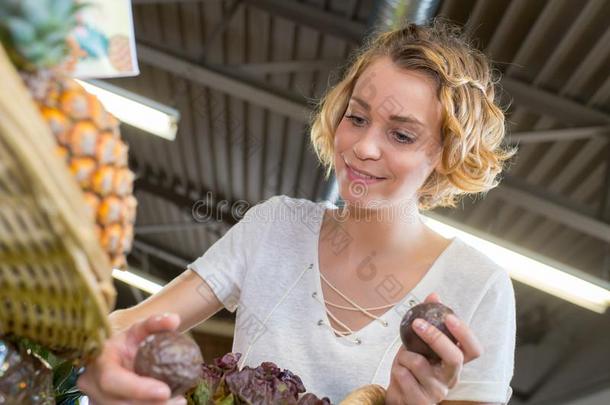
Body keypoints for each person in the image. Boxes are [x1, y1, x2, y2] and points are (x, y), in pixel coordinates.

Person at [77, 20, 517, 405]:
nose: (363, 147)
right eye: (357, 118)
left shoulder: (479, 288)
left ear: (447, 151)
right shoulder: (276, 226)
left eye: (401, 135)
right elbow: (139, 324)